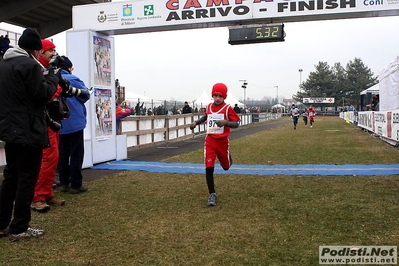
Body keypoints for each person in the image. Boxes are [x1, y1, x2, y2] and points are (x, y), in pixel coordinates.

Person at [0, 28, 59, 241]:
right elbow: (42, 94)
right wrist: (52, 77)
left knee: (11, 177)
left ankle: (2, 223)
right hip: (28, 128)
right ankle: (20, 227)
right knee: (27, 179)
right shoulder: (30, 65)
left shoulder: (4, 64)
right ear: (35, 50)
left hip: (9, 128)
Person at [189, 83, 240, 206]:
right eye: (215, 95)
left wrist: (225, 122)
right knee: (209, 167)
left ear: (224, 97)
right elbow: (206, 117)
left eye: (220, 96)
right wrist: (196, 123)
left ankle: (228, 157)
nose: (217, 98)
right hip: (210, 141)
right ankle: (212, 194)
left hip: (222, 142)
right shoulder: (209, 107)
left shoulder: (227, 108)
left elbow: (237, 123)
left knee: (226, 167)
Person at [31, 39, 66, 212]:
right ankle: (37, 196)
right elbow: (47, 93)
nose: (53, 53)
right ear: (40, 52)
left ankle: (46, 193)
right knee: (47, 158)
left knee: (53, 158)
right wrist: (57, 84)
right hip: (43, 121)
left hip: (52, 120)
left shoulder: (46, 70)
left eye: (54, 50)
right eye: (50, 50)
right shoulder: (35, 69)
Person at [57, 56, 91, 194]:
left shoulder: (51, 79)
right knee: (76, 153)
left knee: (62, 154)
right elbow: (85, 95)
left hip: (59, 123)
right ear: (69, 67)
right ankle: (76, 184)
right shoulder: (73, 79)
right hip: (74, 121)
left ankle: (64, 182)